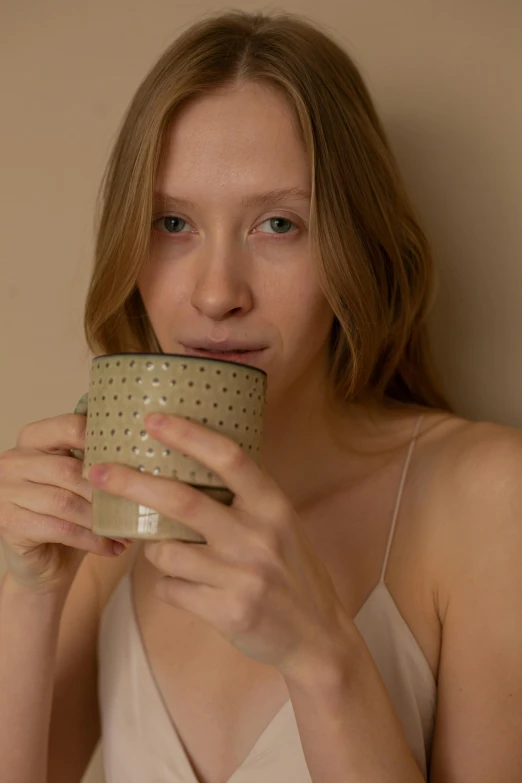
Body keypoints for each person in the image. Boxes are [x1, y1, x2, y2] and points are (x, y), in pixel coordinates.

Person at [1, 9, 521, 783]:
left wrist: (321, 656)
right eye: (171, 221)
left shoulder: (486, 496)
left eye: (279, 223)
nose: (216, 294)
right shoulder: (116, 517)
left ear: (355, 245)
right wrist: (28, 593)